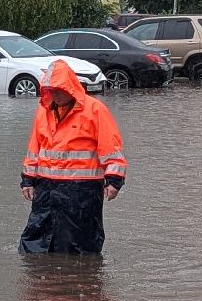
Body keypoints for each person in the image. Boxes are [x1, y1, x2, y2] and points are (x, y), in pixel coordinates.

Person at [18, 59, 127, 255]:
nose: (55, 94)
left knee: (80, 245)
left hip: (82, 191)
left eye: (59, 89)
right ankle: (44, 280)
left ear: (70, 87)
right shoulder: (44, 112)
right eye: (51, 90)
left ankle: (80, 280)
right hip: (46, 189)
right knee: (36, 243)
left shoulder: (95, 110)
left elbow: (110, 147)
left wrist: (114, 180)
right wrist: (28, 180)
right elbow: (34, 148)